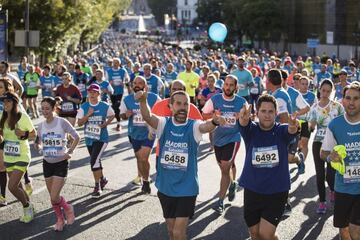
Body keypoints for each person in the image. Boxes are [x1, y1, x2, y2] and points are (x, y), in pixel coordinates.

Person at [137, 89, 225, 240]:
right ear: (170, 106)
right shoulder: (163, 124)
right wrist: (143, 101)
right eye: (178, 103)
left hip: (187, 189)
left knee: (179, 233)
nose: (183, 107)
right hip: (165, 188)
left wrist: (215, 122)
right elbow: (147, 116)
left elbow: (205, 126)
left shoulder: (194, 126)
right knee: (171, 231)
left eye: (186, 104)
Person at [238, 94, 299, 240]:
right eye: (263, 111)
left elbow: (291, 131)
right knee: (255, 234)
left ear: (276, 113)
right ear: (257, 112)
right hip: (253, 189)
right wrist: (243, 118)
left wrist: (292, 126)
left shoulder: (281, 131)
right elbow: (243, 123)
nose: (267, 115)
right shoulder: (251, 130)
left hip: (276, 191)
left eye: (271, 111)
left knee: (265, 234)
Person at [321, 81, 360, 240]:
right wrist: (331, 157)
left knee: (355, 230)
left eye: (356, 98)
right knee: (344, 231)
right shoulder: (335, 125)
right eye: (348, 98)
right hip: (343, 187)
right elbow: (323, 153)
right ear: (342, 100)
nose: (351, 102)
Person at [202, 75, 247, 214]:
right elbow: (203, 115)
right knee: (223, 169)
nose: (228, 87)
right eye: (226, 85)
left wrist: (242, 118)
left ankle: (220, 201)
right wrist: (214, 117)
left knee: (226, 167)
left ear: (236, 87)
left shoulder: (241, 102)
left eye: (231, 85)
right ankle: (233, 183)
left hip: (233, 138)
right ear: (223, 86)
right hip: (218, 138)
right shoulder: (215, 99)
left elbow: (249, 120)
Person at [34, 97, 80, 231]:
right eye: (42, 108)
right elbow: (38, 141)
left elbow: (77, 137)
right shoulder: (41, 125)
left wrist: (70, 151)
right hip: (47, 162)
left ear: (54, 108)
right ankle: (60, 219)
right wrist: (37, 146)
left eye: (47, 108)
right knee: (53, 198)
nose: (44, 111)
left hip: (61, 163)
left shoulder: (62, 122)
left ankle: (68, 208)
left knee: (55, 196)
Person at [309, 79, 344, 214]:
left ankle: (333, 191)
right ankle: (322, 202)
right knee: (319, 174)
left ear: (332, 91)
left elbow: (342, 123)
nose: (325, 93)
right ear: (320, 90)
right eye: (323, 90)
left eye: (328, 91)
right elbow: (312, 125)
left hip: (333, 144)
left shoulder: (337, 106)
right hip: (318, 143)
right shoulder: (314, 107)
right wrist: (310, 127)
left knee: (330, 175)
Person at [120, 76, 160, 192]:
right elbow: (121, 115)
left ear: (145, 86)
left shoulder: (154, 98)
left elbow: (161, 114)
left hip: (149, 133)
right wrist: (126, 115)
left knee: (143, 157)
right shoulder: (127, 99)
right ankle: (143, 178)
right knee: (139, 158)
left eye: (140, 83)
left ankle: (146, 181)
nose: (137, 85)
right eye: (135, 83)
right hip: (134, 133)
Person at [0, 92, 36, 222]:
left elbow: (34, 135)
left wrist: (23, 134)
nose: (5, 104)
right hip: (9, 156)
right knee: (18, 186)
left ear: (15, 102)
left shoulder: (22, 117)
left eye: (8, 101)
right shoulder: (1, 117)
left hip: (22, 155)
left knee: (12, 186)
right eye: (3, 102)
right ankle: (30, 205)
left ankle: (26, 207)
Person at [76, 84, 115, 198]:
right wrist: (88, 114)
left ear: (99, 94)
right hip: (89, 139)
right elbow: (79, 123)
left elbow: (112, 115)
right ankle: (102, 179)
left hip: (102, 139)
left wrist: (106, 124)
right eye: (90, 92)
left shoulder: (104, 106)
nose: (92, 94)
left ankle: (97, 186)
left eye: (94, 92)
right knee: (96, 160)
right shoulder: (84, 106)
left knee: (94, 161)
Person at [107, 58, 129, 131]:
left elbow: (127, 78)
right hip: (112, 91)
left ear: (119, 63)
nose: (115, 64)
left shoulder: (123, 70)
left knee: (117, 105)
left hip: (120, 91)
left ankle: (118, 124)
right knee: (116, 108)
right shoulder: (109, 71)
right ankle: (118, 122)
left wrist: (124, 82)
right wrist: (109, 83)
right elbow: (105, 80)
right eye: (114, 62)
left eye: (117, 62)